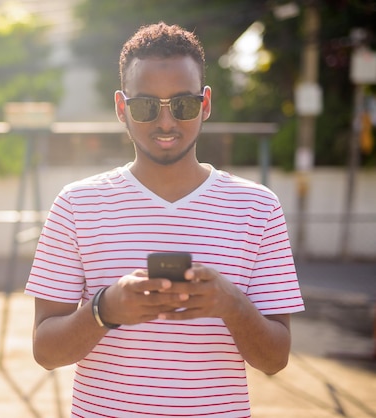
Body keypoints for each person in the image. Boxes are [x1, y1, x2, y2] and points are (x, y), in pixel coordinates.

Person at [24, 22, 304, 417]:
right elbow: (45, 352)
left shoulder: (257, 208)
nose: (167, 122)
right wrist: (104, 310)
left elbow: (275, 359)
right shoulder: (76, 205)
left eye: (183, 104)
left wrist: (231, 305)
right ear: (122, 107)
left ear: (206, 103)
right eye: (146, 106)